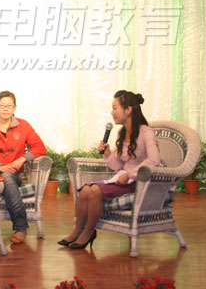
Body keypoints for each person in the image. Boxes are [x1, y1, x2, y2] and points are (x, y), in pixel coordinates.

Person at [58, 90, 160, 249]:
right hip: (122, 179)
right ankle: (77, 230)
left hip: (139, 183)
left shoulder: (146, 132)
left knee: (95, 191)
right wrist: (108, 153)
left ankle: (89, 232)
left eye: (115, 108)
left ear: (128, 110)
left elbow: (154, 160)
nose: (112, 113)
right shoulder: (121, 133)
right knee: (85, 190)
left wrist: (130, 174)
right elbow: (119, 165)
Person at [0, 91, 46, 244]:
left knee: (6, 178)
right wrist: (0, 167)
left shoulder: (23, 125)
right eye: (2, 106)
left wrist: (22, 159)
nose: (6, 109)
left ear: (15, 108)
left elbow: (40, 147)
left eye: (9, 106)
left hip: (14, 174)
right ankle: (20, 227)